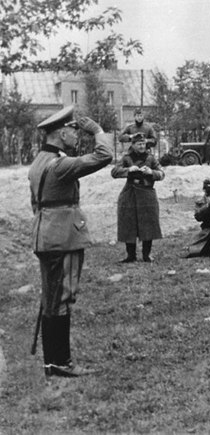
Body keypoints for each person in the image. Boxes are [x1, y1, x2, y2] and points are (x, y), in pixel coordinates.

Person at [28, 106, 112, 377]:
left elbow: (35, 203)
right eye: (74, 131)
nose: (77, 135)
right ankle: (61, 363)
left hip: (45, 235)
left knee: (52, 299)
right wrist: (98, 131)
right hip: (63, 238)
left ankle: (53, 362)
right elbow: (104, 155)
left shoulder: (39, 161)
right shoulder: (61, 165)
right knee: (62, 297)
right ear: (61, 133)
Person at [111, 132, 165, 262]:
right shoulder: (126, 158)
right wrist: (128, 170)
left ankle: (147, 255)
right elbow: (114, 172)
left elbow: (162, 174)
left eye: (143, 143)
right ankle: (131, 255)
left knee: (148, 224)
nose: (142, 146)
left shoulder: (151, 159)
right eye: (139, 144)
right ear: (133, 145)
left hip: (147, 194)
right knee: (128, 224)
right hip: (130, 193)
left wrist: (151, 172)